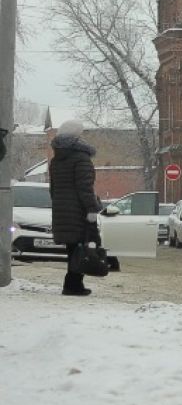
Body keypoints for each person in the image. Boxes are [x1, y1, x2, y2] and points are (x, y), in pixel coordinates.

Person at [48, 120, 101, 298]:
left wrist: (61, 205)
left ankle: (74, 284)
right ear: (77, 135)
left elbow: (53, 189)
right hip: (79, 211)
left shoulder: (56, 159)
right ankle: (72, 285)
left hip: (62, 211)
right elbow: (85, 187)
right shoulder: (81, 158)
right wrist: (92, 208)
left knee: (73, 248)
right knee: (81, 247)